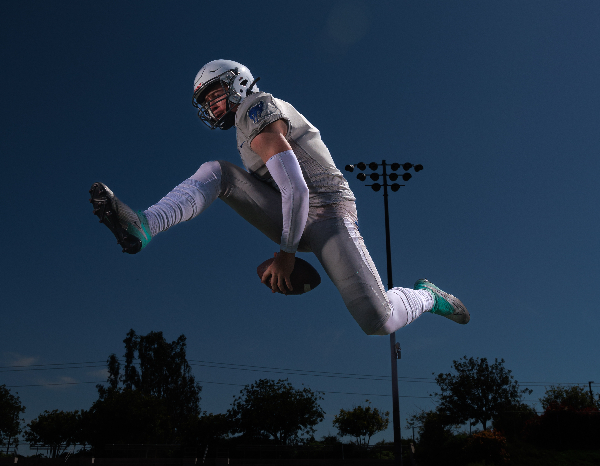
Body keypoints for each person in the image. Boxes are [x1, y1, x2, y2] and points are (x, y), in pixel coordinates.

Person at [89, 60, 469, 335]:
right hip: (295, 216)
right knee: (217, 173)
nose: (212, 106)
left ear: (237, 83)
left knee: (379, 321)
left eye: (216, 94)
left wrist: (286, 255)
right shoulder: (242, 129)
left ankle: (426, 296)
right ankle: (145, 224)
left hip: (328, 213)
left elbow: (297, 188)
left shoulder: (257, 108)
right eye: (207, 103)